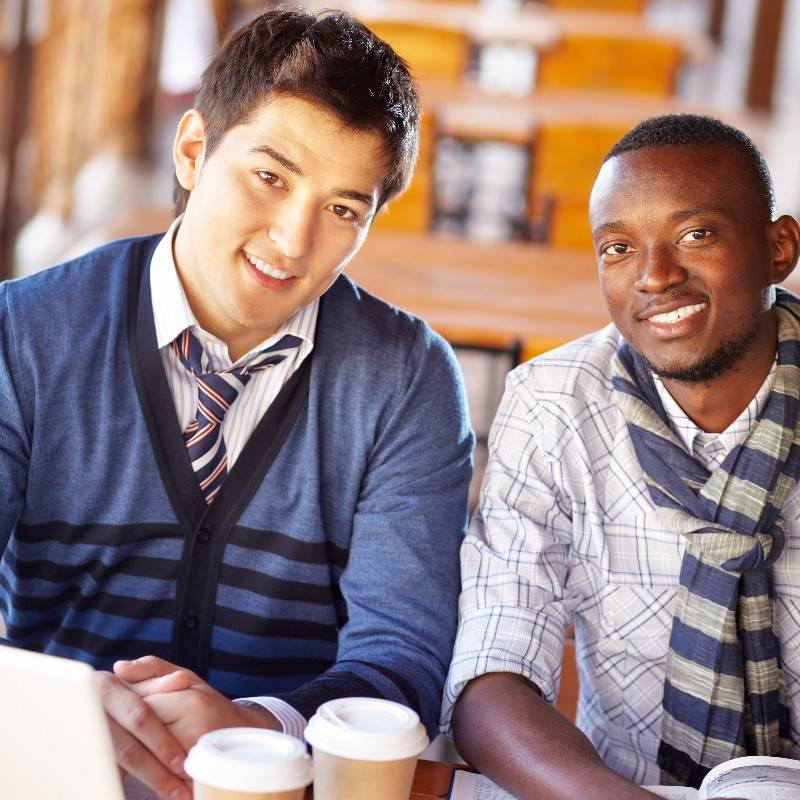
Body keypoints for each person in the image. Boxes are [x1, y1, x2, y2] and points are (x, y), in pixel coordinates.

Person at [0, 10, 473, 800]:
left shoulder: (408, 379)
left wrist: (261, 731)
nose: (292, 239)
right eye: (270, 175)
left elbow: (405, 659)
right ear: (192, 150)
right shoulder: (23, 335)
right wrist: (65, 708)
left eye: (343, 209)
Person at [443, 113, 800, 799]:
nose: (655, 276)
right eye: (617, 248)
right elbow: (491, 674)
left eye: (697, 234)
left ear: (778, 247)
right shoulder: (553, 405)